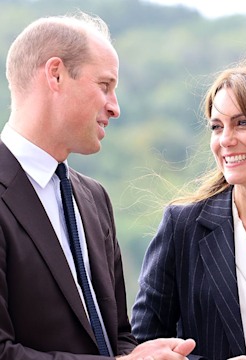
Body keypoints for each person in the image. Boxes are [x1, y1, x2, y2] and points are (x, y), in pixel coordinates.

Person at [0, 12, 196, 360]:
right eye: (104, 85)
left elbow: (118, 336)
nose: (115, 107)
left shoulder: (93, 198)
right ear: (56, 74)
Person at [131, 58, 246, 360]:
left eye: (242, 123)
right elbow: (141, 349)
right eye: (217, 127)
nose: (226, 140)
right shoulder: (183, 227)